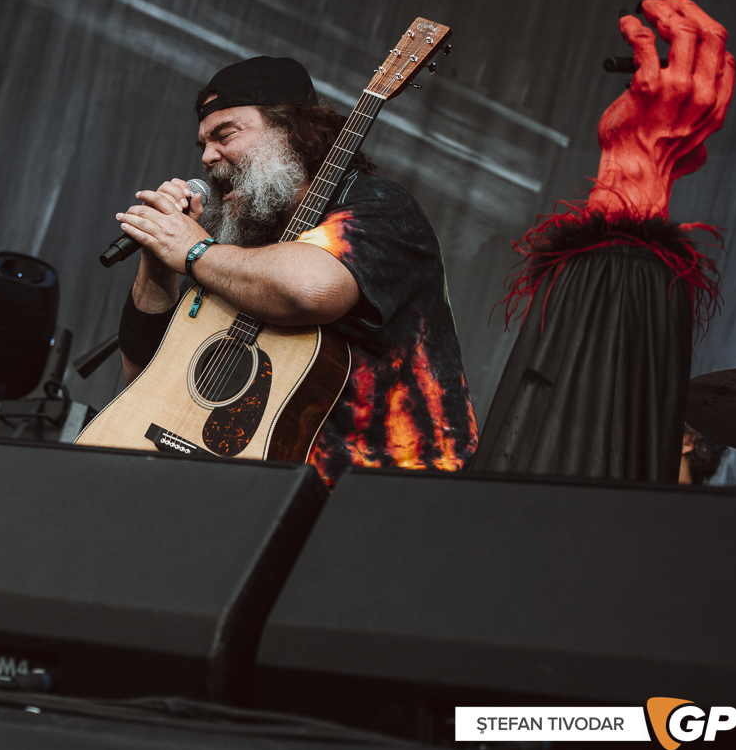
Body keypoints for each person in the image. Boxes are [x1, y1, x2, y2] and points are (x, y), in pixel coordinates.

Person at [115, 56, 476, 482]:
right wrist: (158, 261)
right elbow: (142, 375)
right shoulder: (238, 244)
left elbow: (310, 288)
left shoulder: (379, 208)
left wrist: (193, 251)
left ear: (291, 130)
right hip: (255, 486)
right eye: (202, 145)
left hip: (371, 491)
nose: (208, 157)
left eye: (224, 134)